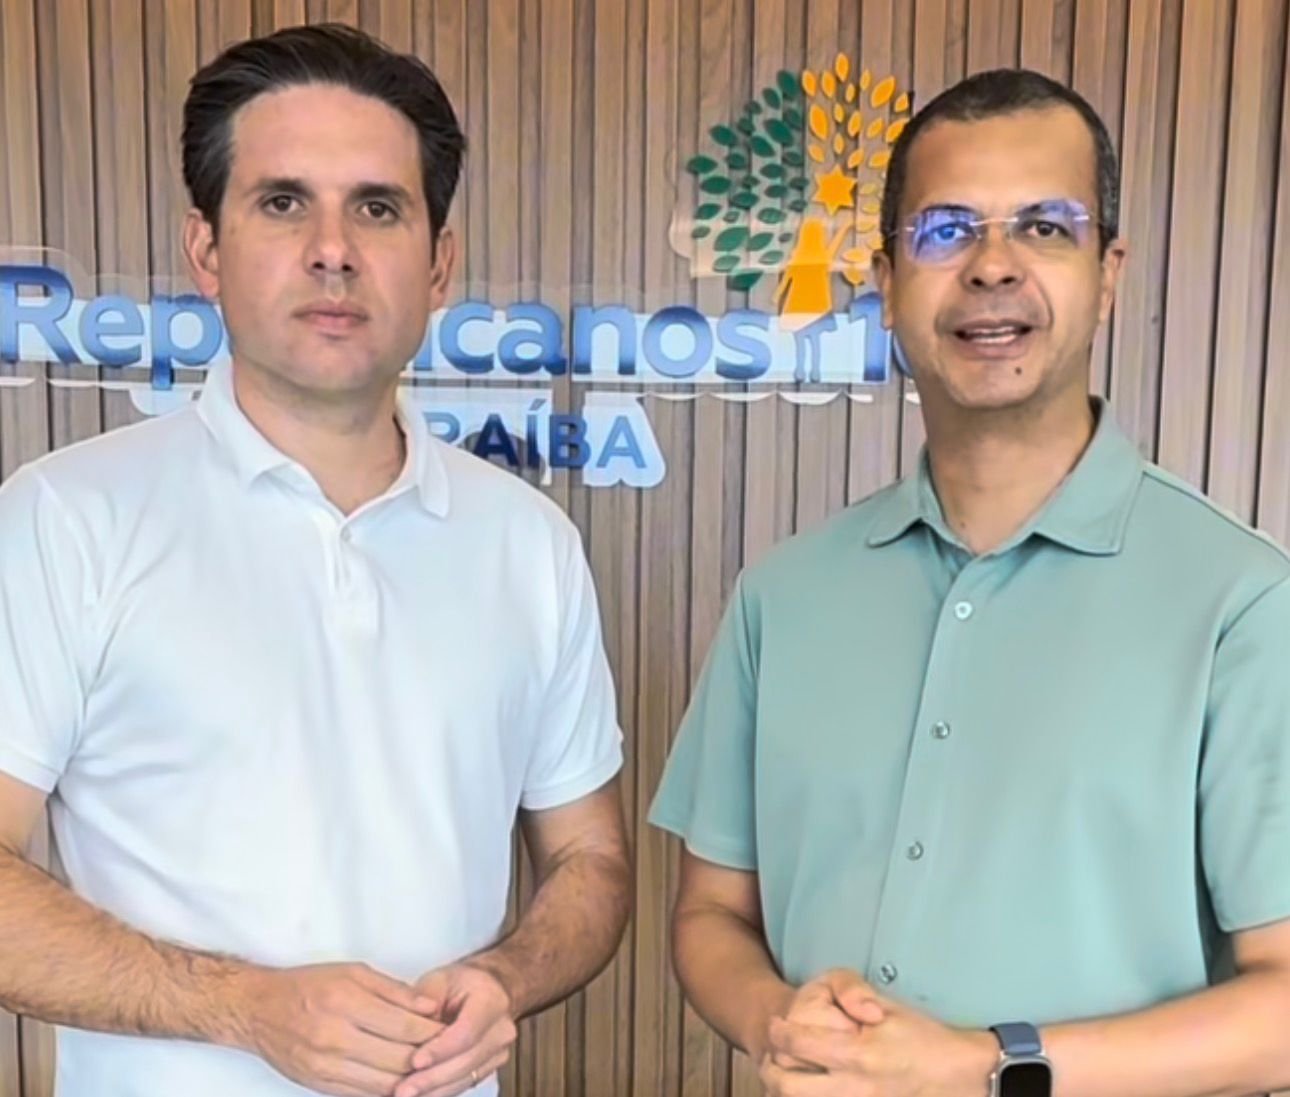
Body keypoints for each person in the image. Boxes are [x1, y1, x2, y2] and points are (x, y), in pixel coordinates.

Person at [0, 23, 629, 1097]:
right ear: (206, 249)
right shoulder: (65, 519)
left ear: (439, 263)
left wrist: (505, 977)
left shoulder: (529, 544)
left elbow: (590, 859)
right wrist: (246, 1006)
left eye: (377, 208)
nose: (332, 248)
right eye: (283, 201)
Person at [649, 68, 1290, 1097]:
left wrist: (982, 1064)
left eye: (1044, 226)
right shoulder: (783, 597)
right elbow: (712, 911)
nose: (992, 266)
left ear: (1108, 273)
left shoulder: (1245, 604)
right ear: (886, 280)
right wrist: (778, 1017)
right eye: (945, 231)